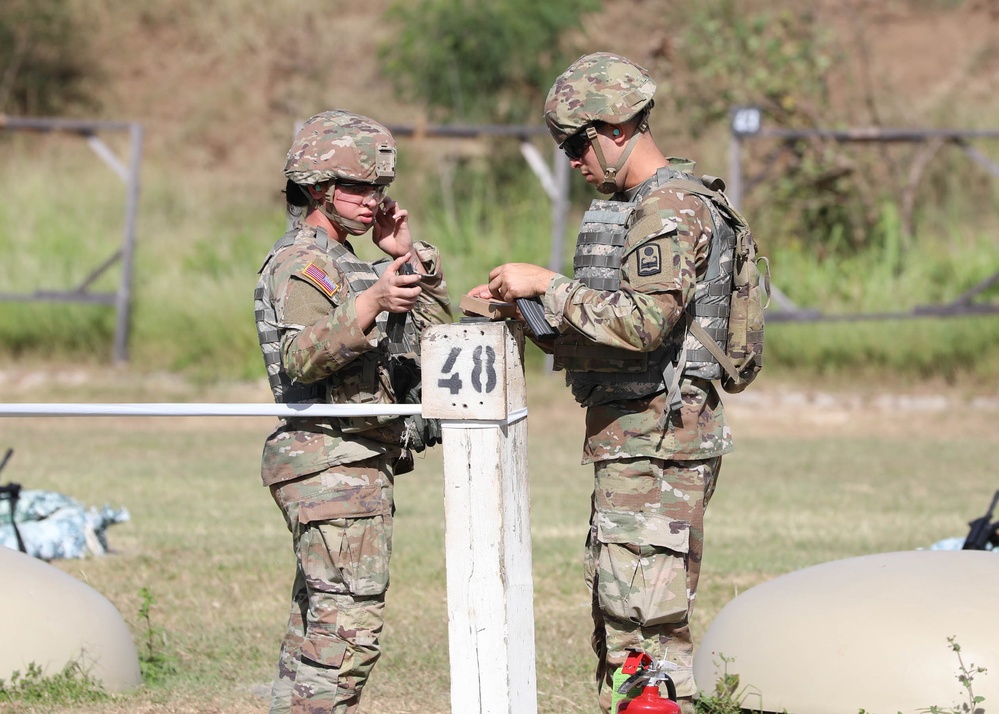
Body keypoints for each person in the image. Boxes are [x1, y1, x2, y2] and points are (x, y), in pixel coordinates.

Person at [468, 52, 738, 713]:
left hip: (656, 442)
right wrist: (527, 316)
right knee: (628, 627)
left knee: (643, 634)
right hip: (638, 439)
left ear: (616, 127)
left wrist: (548, 285)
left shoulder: (668, 208)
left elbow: (646, 325)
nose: (571, 160)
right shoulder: (645, 205)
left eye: (576, 142)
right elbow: (618, 334)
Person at [255, 109, 452, 714]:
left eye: (381, 189)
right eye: (359, 187)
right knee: (345, 638)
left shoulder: (355, 262)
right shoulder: (301, 264)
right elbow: (296, 359)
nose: (374, 201)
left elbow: (437, 350)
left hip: (357, 462)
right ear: (318, 189)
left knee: (319, 631)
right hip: (328, 462)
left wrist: (403, 256)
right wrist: (368, 302)